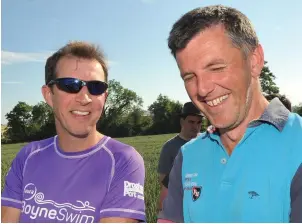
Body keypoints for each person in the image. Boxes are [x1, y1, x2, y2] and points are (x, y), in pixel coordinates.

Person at [158, 5, 302, 223]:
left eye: (216, 68)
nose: (202, 89)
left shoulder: (297, 142)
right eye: (189, 77)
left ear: (254, 61)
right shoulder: (187, 156)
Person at [1, 41, 146, 223]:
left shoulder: (123, 161)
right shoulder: (27, 157)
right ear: (48, 95)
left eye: (96, 88)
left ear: (105, 97)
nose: (84, 98)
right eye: (70, 85)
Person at [157, 102, 203, 210]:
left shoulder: (207, 142)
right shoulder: (169, 147)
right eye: (191, 122)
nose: (195, 127)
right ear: (182, 122)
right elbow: (163, 180)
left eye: (199, 122)